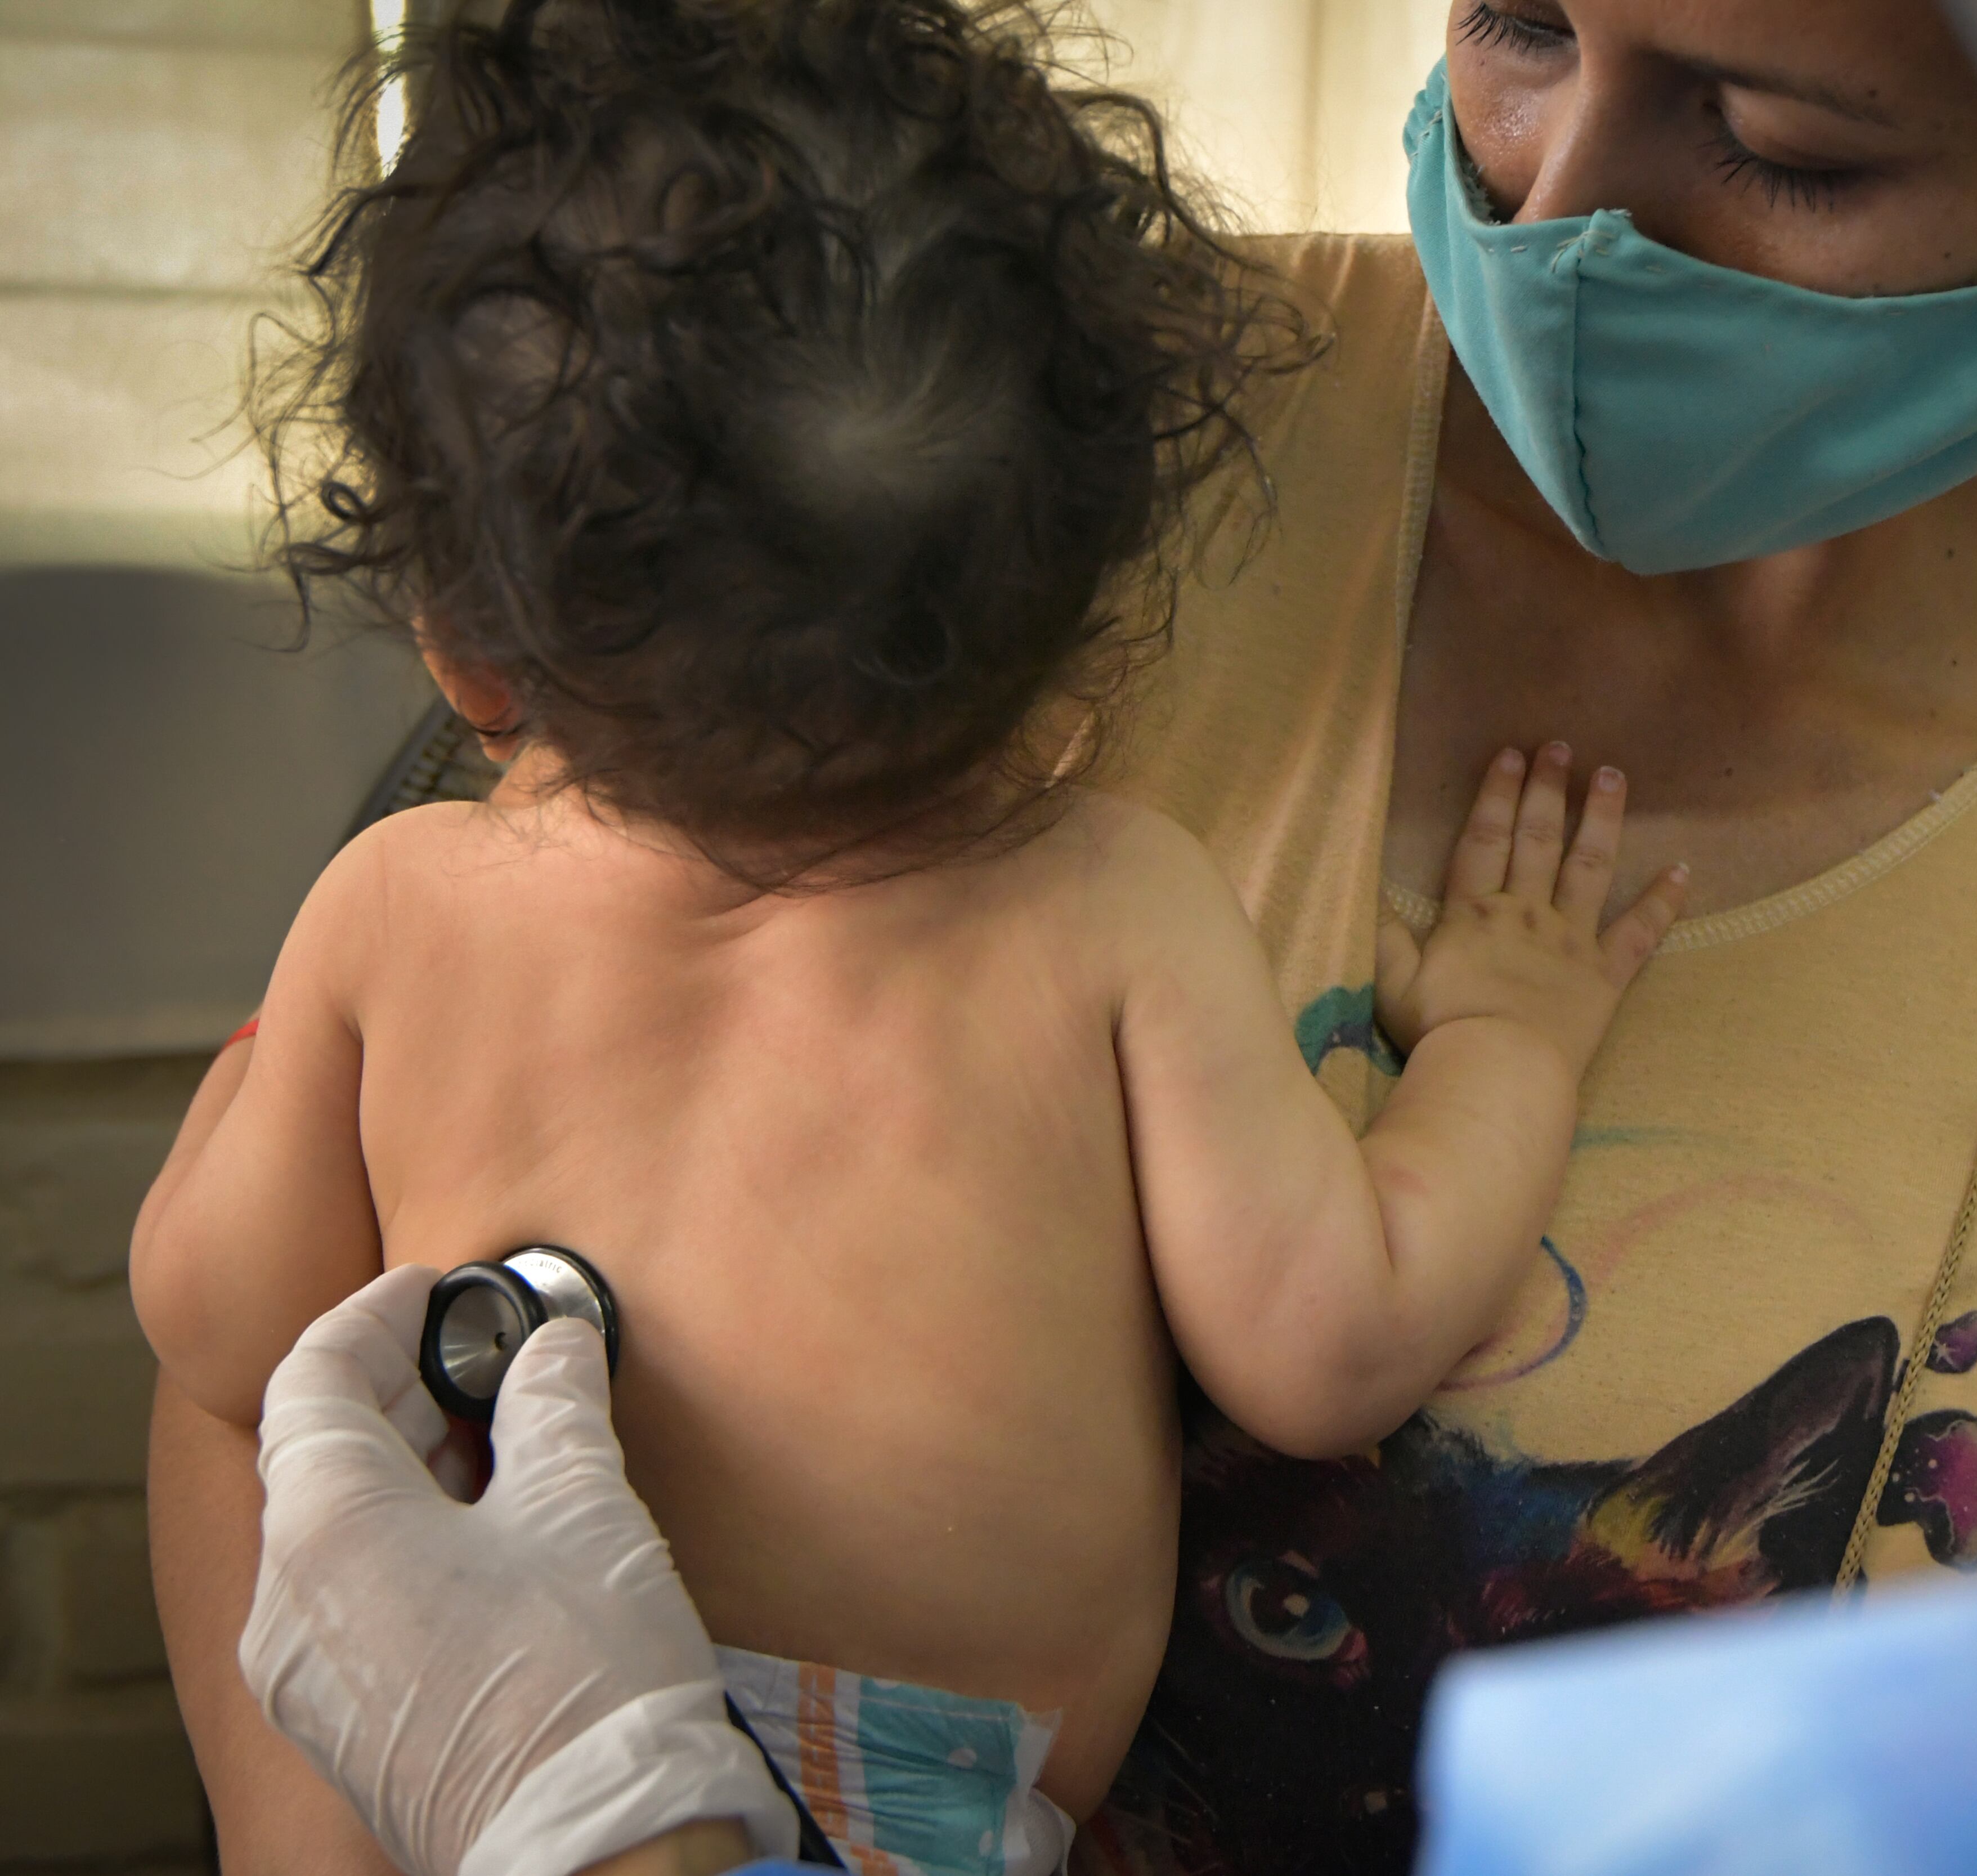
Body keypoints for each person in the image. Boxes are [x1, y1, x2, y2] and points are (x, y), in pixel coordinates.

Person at [152, 1, 1977, 1872]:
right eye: (1521, 20)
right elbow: (280, 1406)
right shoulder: (985, 439)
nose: (1557, 205)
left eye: (1773, 139)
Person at [129, 5, 1683, 1873]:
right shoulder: (1106, 903)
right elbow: (1333, 1348)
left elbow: (231, 1333)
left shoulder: (401, 902)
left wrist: (236, 1134)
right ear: (1091, 627)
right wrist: (1508, 1038)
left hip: (456, 1758)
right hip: (907, 1808)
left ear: (463, 649)